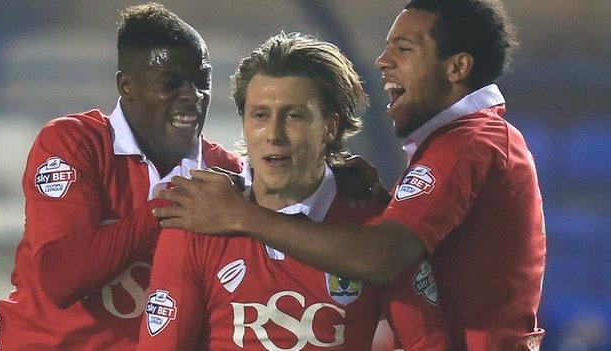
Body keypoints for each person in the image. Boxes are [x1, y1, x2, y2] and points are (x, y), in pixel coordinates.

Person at [155, 0, 547, 349]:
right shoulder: (195, 228)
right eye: (260, 115)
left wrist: (239, 215)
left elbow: (384, 256)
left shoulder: (464, 146)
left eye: (404, 49)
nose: (383, 61)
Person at [138, 32, 449, 350]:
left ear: (329, 127)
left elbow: (429, 341)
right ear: (244, 123)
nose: (274, 134)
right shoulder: (196, 223)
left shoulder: (376, 232)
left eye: (294, 116)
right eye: (260, 115)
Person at [0, 3, 242, 350]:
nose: (193, 96)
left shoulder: (228, 172)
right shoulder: (73, 142)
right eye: (170, 83)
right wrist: (167, 206)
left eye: (203, 81)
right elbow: (61, 279)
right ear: (126, 86)